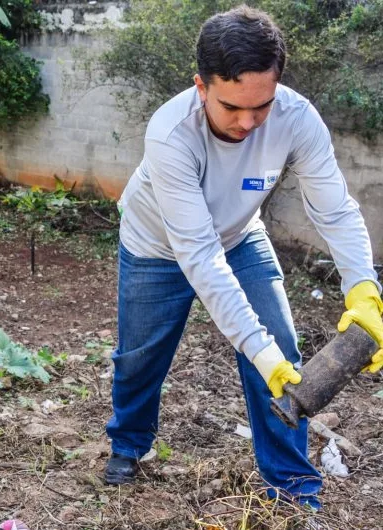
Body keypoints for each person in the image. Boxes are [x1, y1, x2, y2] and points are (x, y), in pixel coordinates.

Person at [104, 4, 383, 513]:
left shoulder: (297, 119)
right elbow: (199, 256)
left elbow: (335, 208)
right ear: (201, 85)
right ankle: (128, 444)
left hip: (238, 236)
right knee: (140, 358)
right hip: (157, 247)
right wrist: (257, 350)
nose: (249, 122)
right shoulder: (171, 134)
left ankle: (292, 485)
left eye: (263, 105)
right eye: (232, 107)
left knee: (282, 353)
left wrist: (363, 287)